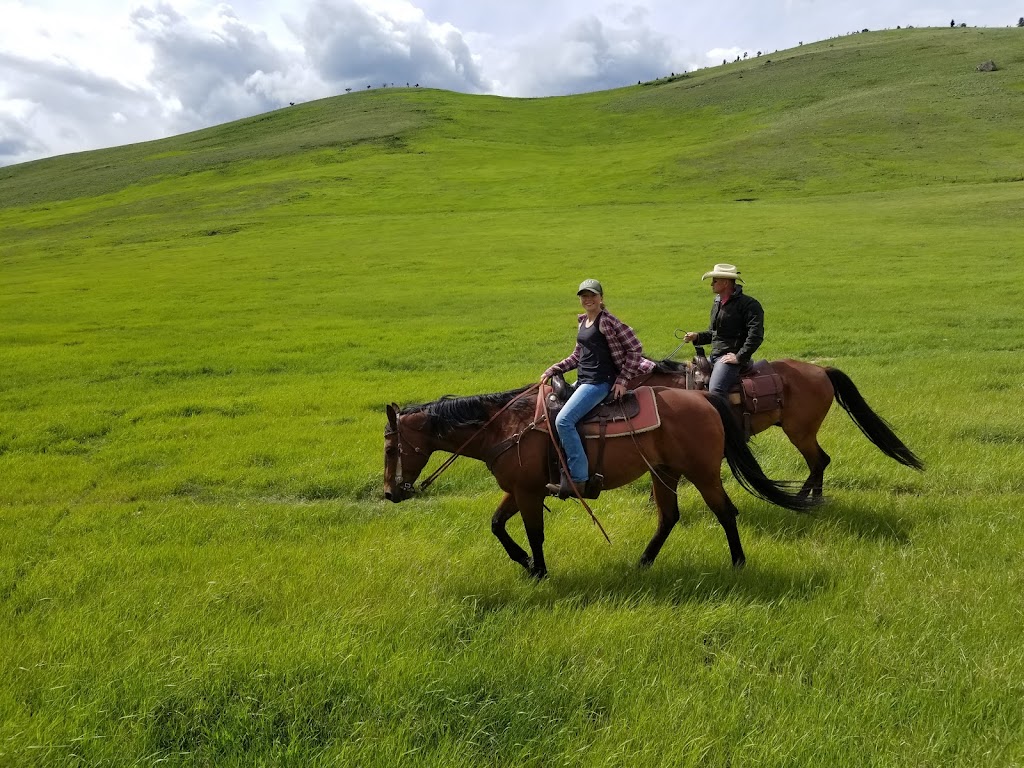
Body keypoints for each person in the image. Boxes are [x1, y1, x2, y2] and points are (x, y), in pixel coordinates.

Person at [540, 279, 654, 498]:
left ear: (601, 298)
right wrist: (554, 369)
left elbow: (635, 348)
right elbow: (578, 356)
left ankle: (579, 480)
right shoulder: (583, 321)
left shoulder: (608, 322)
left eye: (592, 295)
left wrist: (622, 380)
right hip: (583, 380)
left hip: (598, 383)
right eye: (584, 296)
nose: (588, 299)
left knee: (563, 421)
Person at [682, 263, 764, 398]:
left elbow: (756, 335)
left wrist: (739, 357)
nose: (711, 284)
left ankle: (725, 419)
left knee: (715, 392)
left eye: (715, 281)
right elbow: (715, 334)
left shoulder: (749, 305)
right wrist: (697, 336)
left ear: (725, 283)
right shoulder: (718, 302)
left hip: (730, 359)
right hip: (716, 356)